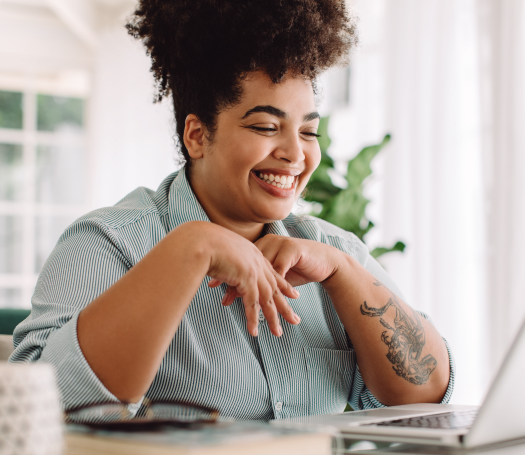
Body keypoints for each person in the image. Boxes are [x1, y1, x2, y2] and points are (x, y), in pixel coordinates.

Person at [10, 0, 454, 420]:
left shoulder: (330, 251)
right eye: (265, 126)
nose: (294, 153)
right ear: (197, 136)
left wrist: (343, 273)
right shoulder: (107, 244)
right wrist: (190, 247)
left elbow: (427, 396)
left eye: (308, 132)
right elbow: (40, 408)